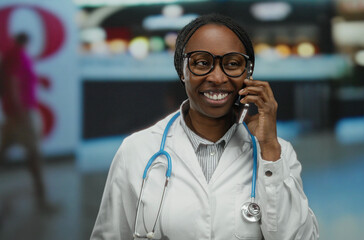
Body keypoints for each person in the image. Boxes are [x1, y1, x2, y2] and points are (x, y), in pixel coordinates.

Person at [91, 14, 319, 240]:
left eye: (232, 63)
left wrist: (268, 148)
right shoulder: (137, 151)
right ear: (182, 71)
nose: (218, 77)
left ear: (248, 73)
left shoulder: (277, 154)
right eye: (201, 63)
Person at [0, 33, 49, 211]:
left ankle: (42, 199)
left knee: (4, 151)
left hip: (16, 112)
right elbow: (12, 82)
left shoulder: (10, 55)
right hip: (23, 113)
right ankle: (42, 201)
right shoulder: (17, 56)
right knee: (34, 154)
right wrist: (19, 110)